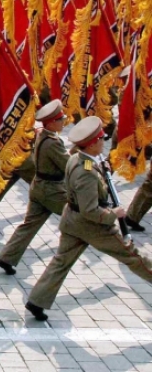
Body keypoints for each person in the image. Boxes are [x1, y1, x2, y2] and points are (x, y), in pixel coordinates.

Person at [25, 116, 152, 322]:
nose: (104, 141)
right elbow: (91, 210)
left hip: (71, 221)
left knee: (61, 262)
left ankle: (37, 300)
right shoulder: (86, 173)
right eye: (101, 139)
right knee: (133, 256)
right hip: (91, 226)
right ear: (92, 143)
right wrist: (115, 214)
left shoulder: (78, 158)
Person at [0, 100, 70, 275]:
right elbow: (68, 165)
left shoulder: (42, 133)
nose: (64, 122)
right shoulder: (53, 142)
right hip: (52, 191)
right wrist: (88, 162)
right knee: (78, 215)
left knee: (28, 225)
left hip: (39, 187)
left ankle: (7, 257)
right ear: (51, 122)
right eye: (61, 119)